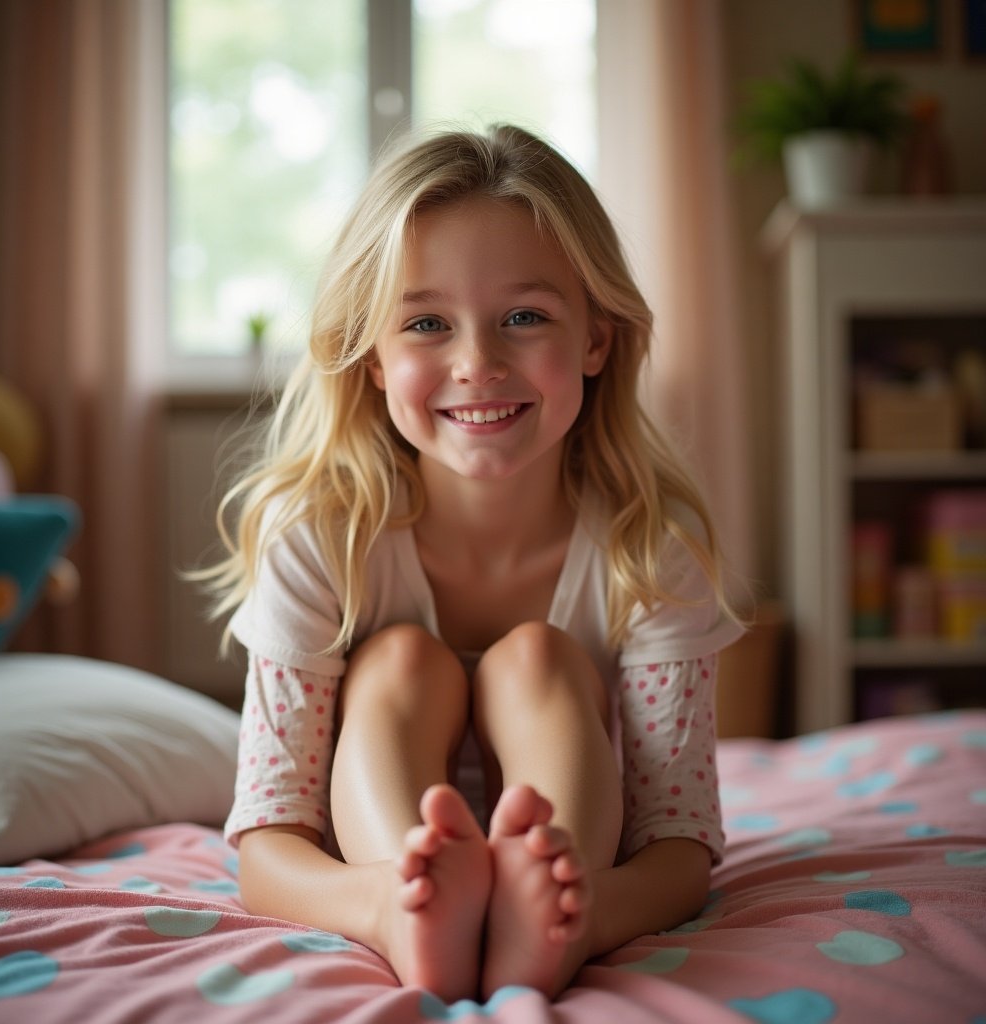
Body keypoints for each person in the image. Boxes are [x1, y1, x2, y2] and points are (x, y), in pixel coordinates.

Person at [205, 123, 744, 1003]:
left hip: (569, 867)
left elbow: (678, 846)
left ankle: (540, 925)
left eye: (524, 318)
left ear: (598, 341)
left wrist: (589, 908)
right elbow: (268, 843)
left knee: (537, 656)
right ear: (373, 358)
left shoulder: (650, 549)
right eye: (425, 323)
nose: (478, 364)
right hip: (390, 873)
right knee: (400, 658)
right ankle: (419, 914)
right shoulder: (322, 538)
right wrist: (374, 902)